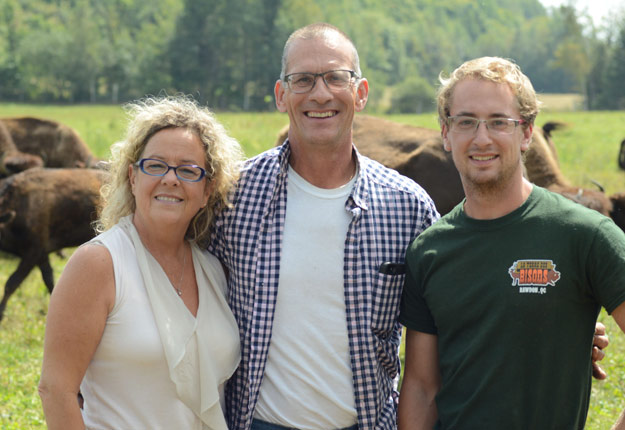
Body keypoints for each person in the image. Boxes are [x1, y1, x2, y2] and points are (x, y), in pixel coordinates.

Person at [208, 23, 439, 430]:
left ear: (360, 93)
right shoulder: (232, 197)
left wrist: (558, 325)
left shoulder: (408, 206)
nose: (320, 94)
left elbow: (458, 307)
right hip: (258, 422)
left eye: (336, 77)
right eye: (303, 80)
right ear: (282, 95)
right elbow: (166, 277)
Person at [397, 56, 625, 429]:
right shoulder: (430, 251)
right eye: (466, 121)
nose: (481, 138)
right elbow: (422, 387)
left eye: (499, 122)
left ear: (526, 133)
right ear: (445, 133)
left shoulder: (585, 235)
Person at [38, 96, 243, 429]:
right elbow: (56, 390)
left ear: (208, 190)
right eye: (156, 165)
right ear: (133, 177)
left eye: (188, 170)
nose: (170, 179)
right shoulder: (99, 263)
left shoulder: (213, 269)